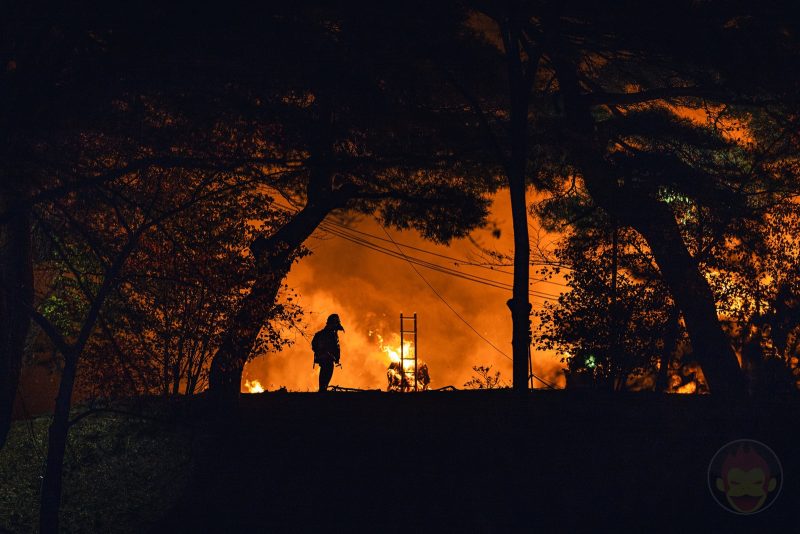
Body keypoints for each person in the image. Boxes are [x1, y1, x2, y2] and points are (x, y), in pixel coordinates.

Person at [311, 314, 345, 392]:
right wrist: (325, 353)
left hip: (327, 358)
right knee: (326, 372)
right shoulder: (327, 334)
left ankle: (323, 389)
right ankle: (322, 390)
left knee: (326, 372)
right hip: (326, 358)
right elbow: (315, 346)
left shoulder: (330, 333)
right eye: (336, 323)